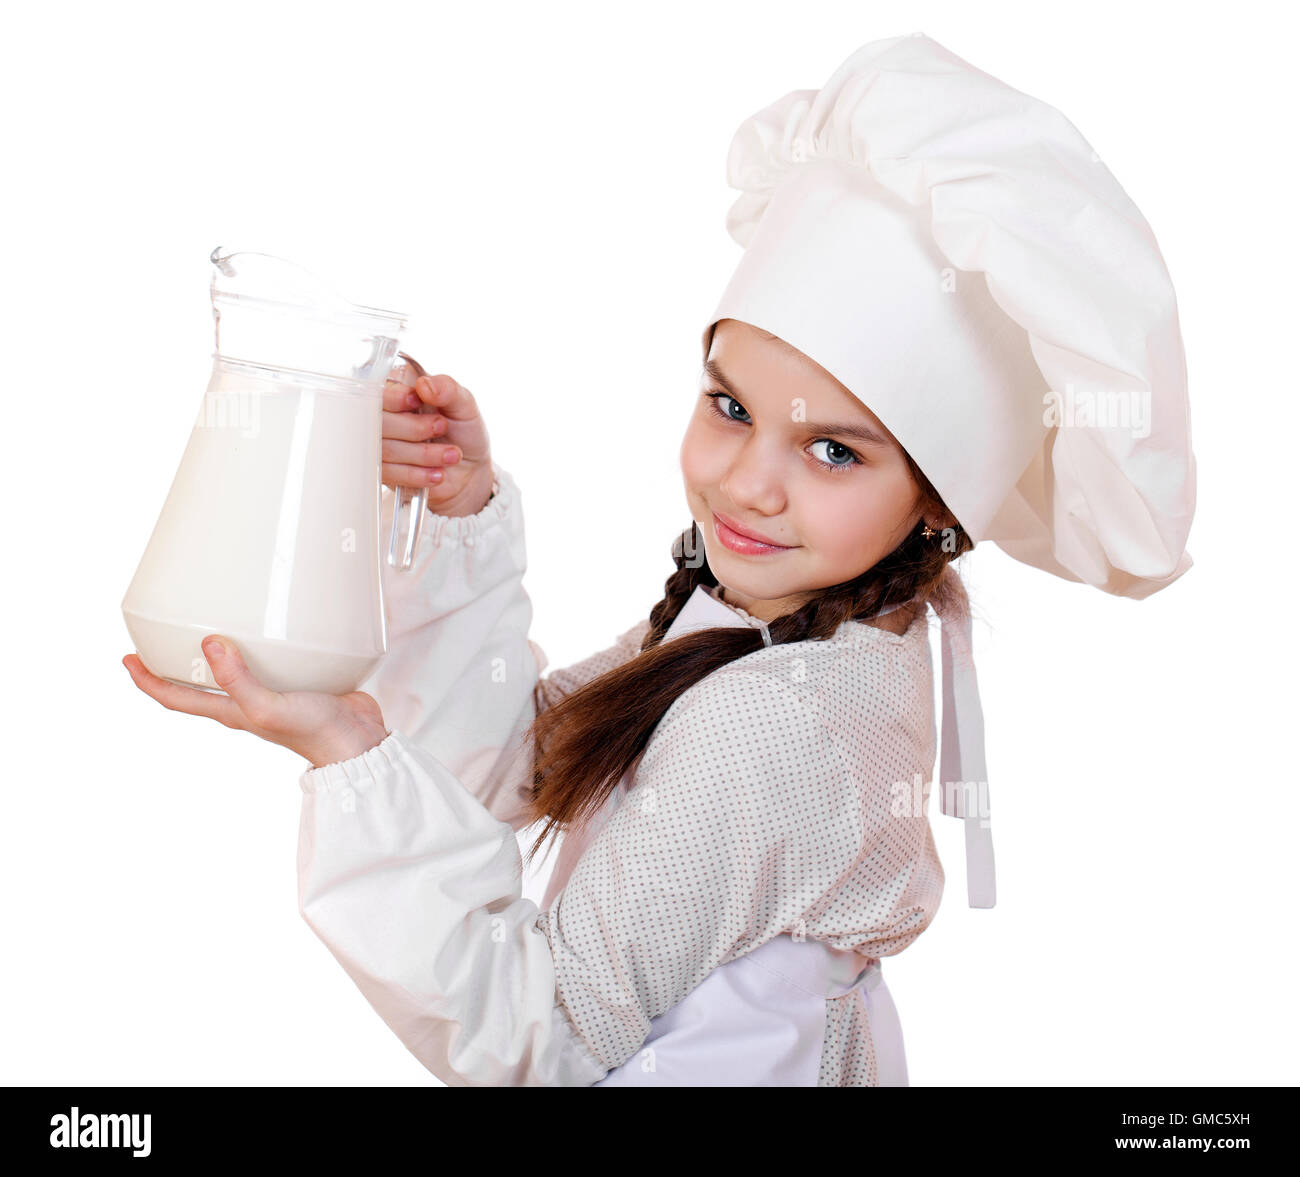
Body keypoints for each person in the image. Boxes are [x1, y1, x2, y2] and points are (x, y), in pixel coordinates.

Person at [123, 32, 1195, 1086]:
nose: (747, 483)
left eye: (834, 448)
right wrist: (460, 513)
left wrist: (354, 756)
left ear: (933, 504)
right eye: (731, 405)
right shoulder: (779, 621)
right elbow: (533, 763)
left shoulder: (782, 719)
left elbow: (538, 1040)